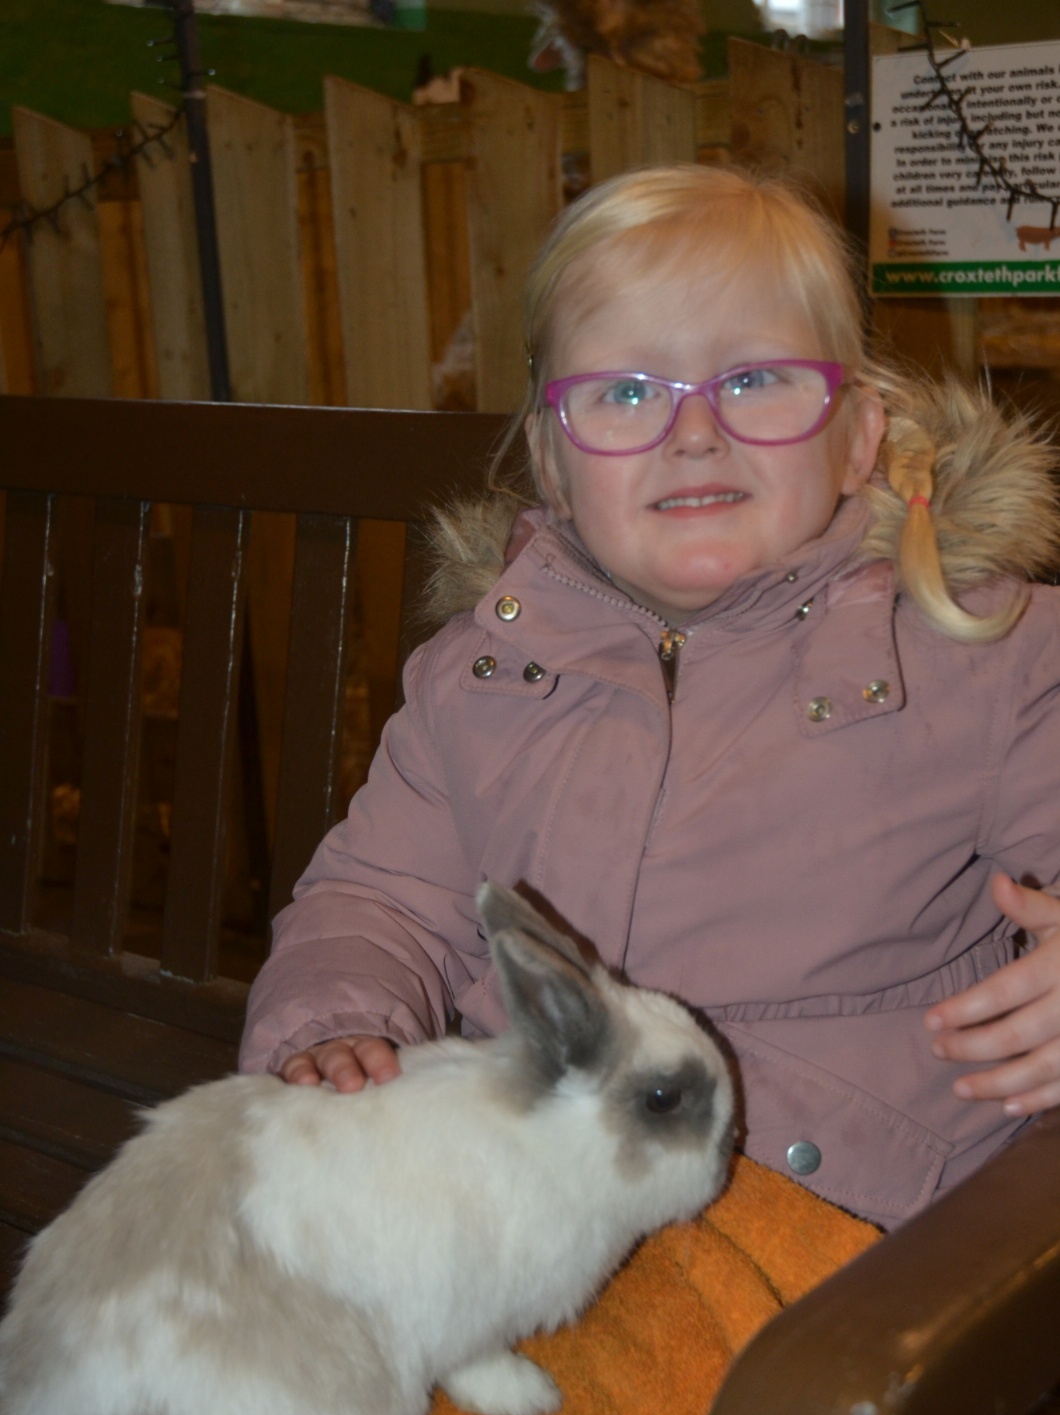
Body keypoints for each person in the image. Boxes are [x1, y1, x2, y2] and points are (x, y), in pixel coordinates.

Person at [240, 164, 1060, 1229]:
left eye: (754, 379)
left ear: (858, 434)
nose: (693, 432)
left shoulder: (985, 653)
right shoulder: (482, 677)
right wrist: (332, 1026)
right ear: (553, 461)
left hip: (840, 1223)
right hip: (525, 1186)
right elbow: (379, 897)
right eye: (626, 393)